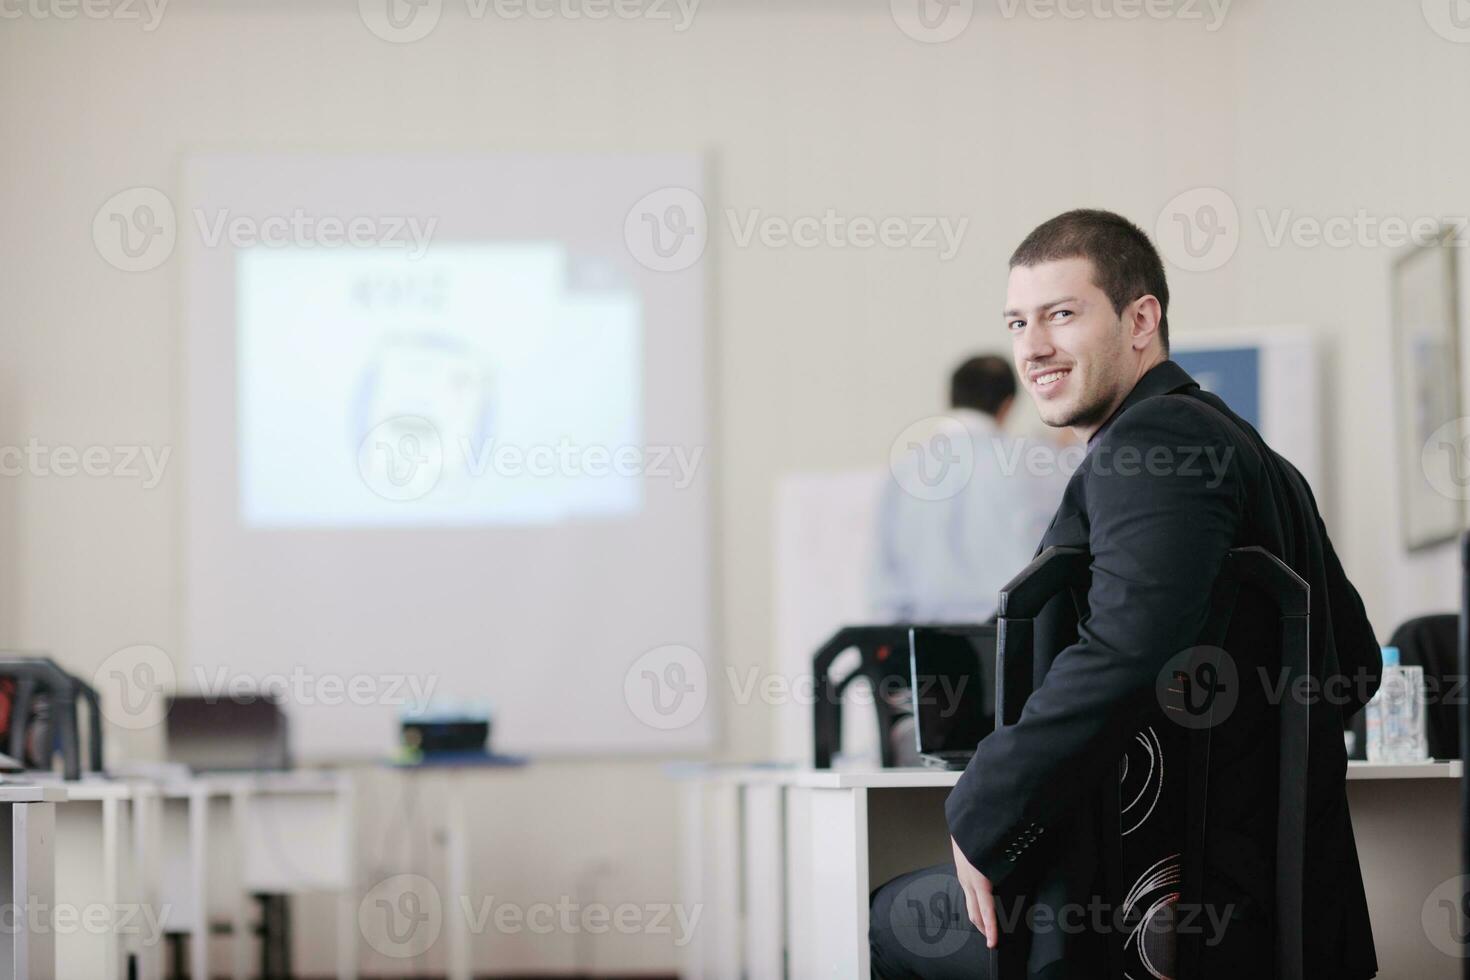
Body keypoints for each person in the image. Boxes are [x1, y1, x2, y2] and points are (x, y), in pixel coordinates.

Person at [868, 209, 1381, 979]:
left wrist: (980, 809)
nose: (1032, 347)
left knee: (885, 918)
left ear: (1142, 319)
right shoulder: (1256, 456)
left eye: (1061, 314)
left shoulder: (1153, 445)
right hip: (1271, 913)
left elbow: (1130, 648)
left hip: (1142, 909)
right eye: (1017, 322)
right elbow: (1359, 664)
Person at [870, 355, 1068, 623]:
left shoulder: (904, 469)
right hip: (1010, 635)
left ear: (950, 396)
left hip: (923, 638)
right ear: (1007, 405)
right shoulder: (1035, 461)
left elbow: (883, 571)